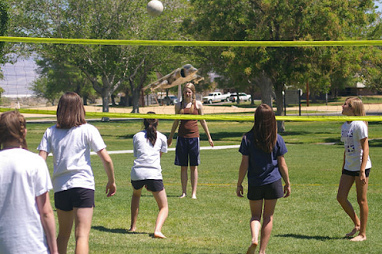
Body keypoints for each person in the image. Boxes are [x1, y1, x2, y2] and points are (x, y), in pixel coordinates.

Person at [38, 92, 117, 254]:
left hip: (61, 188)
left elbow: (40, 161)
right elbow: (107, 160)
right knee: (81, 236)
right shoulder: (88, 130)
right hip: (83, 186)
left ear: (60, 109)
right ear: (80, 108)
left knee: (63, 235)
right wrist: (111, 181)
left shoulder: (50, 132)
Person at [0, 111, 58, 254]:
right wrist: (55, 250)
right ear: (24, 132)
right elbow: (46, 212)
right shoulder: (35, 161)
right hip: (33, 245)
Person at [236, 104, 291, 254]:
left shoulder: (247, 138)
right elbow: (282, 164)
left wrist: (239, 183)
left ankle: (254, 238)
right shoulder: (277, 139)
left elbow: (244, 164)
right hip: (273, 183)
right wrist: (287, 182)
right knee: (268, 217)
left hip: (255, 183)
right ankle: (262, 251)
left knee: (255, 216)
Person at [167, 83, 214, 199]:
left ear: (193, 92)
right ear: (183, 92)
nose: (187, 94)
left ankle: (193, 193)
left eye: (189, 91)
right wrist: (170, 137)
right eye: (186, 91)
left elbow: (203, 121)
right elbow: (176, 122)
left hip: (194, 138)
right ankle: (184, 192)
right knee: (183, 166)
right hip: (182, 138)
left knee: (193, 166)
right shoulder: (179, 105)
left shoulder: (198, 105)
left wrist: (209, 137)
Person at [128, 112, 168, 238]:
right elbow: (159, 156)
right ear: (157, 122)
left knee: (136, 195)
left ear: (144, 122)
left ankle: (133, 227)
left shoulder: (136, 136)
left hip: (137, 172)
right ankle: (157, 230)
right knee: (164, 207)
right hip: (153, 173)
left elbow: (138, 154)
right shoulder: (162, 137)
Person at [337, 97, 371, 242]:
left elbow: (366, 148)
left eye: (346, 104)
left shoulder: (359, 125)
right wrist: (344, 165)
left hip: (360, 167)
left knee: (361, 200)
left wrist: (362, 170)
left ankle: (362, 234)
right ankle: (357, 224)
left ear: (353, 109)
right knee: (341, 197)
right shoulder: (345, 126)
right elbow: (346, 148)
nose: (343, 106)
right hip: (349, 167)